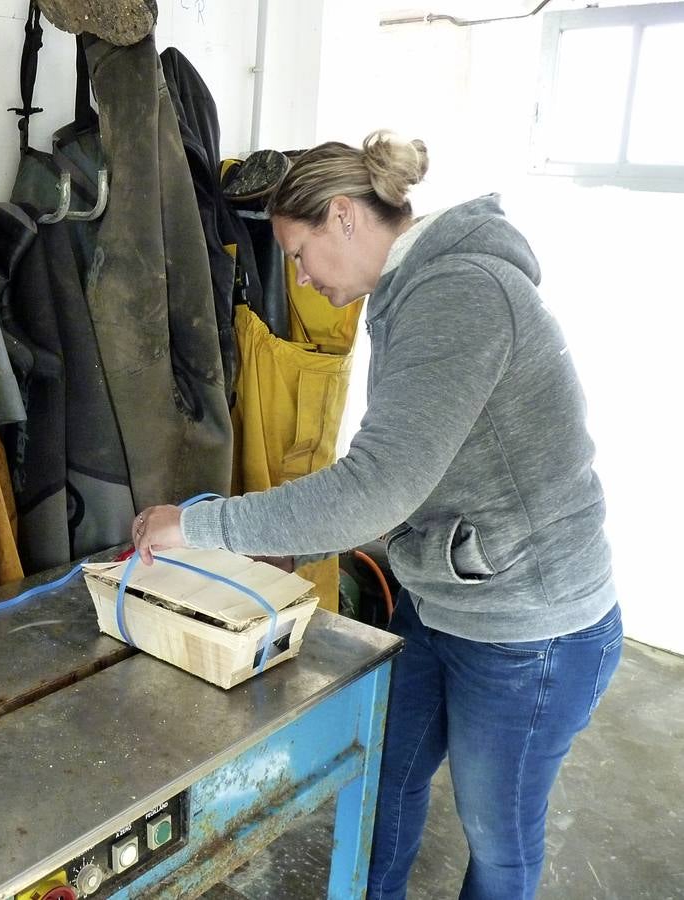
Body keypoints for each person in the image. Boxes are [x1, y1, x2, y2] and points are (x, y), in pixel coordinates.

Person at [129, 130, 622, 900]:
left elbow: (378, 487)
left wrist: (196, 524)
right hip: (447, 597)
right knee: (386, 770)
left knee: (497, 838)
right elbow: (414, 471)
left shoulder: (457, 293)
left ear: (342, 217)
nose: (298, 276)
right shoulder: (407, 294)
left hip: (534, 628)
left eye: (298, 254)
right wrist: (297, 541)